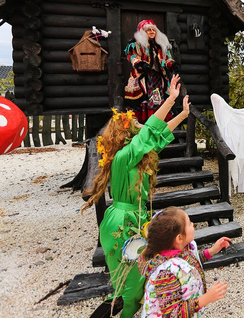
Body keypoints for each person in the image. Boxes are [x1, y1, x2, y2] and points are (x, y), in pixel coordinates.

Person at [82, 75, 190, 318]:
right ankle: (121, 311)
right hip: (122, 220)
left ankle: (114, 310)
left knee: (135, 280)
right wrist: (170, 99)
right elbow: (151, 130)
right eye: (135, 125)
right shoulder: (124, 157)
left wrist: (182, 115)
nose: (140, 126)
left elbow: (156, 136)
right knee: (131, 284)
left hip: (134, 217)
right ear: (125, 133)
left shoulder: (137, 156)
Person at [137, 207, 231, 317]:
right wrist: (205, 299)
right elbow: (172, 314)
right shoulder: (166, 274)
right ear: (179, 238)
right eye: (189, 223)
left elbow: (190, 263)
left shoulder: (179, 250)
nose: (193, 224)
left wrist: (211, 251)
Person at [124, 19, 179, 123]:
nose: (152, 32)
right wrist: (140, 63)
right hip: (143, 77)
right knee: (144, 100)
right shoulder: (135, 45)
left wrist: (172, 65)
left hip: (157, 78)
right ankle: (144, 122)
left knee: (158, 99)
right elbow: (131, 56)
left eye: (153, 30)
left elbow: (167, 59)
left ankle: (158, 120)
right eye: (148, 30)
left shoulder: (160, 46)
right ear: (143, 32)